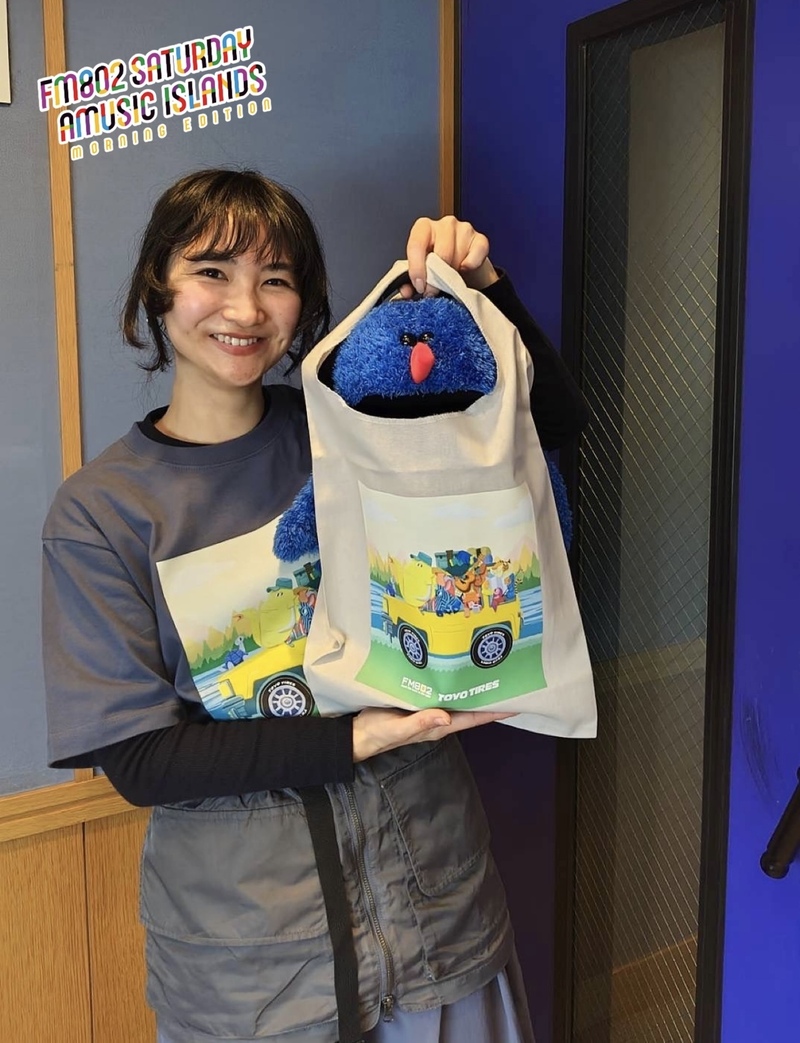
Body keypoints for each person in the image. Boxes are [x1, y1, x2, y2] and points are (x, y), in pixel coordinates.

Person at [42, 169, 589, 1043]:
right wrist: (355, 736)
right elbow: (140, 758)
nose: (245, 307)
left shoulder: (349, 421)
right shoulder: (102, 511)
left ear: (304, 304)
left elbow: (543, 427)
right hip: (249, 965)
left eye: (276, 278)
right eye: (211, 271)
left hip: (434, 910)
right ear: (157, 286)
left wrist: (486, 288)